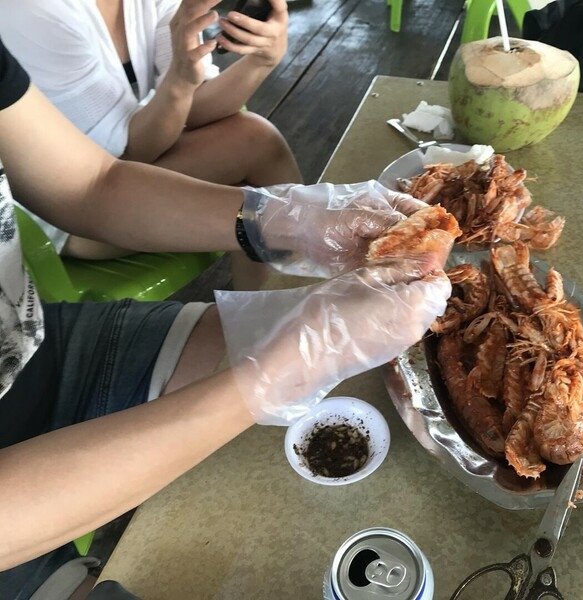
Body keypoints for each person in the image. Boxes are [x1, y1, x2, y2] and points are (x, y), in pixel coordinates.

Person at [0, 38, 450, 599]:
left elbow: (90, 184)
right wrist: (268, 380)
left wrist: (283, 220)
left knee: (357, 380)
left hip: (39, 345)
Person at [0, 0, 299, 289]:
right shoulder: (35, 9)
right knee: (259, 156)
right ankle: (286, 319)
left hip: (120, 168)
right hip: (67, 212)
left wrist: (262, 60)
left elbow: (196, 109)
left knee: (255, 140)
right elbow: (126, 154)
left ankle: (280, 318)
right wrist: (180, 82)